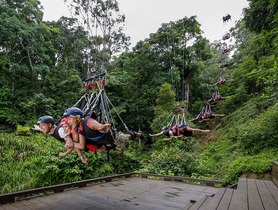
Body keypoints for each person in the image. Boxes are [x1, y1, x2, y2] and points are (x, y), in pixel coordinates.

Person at [62, 107, 147, 159]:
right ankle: (120, 151)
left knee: (125, 139)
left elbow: (97, 125)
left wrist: (101, 127)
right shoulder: (79, 129)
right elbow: (81, 145)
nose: (68, 122)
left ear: (77, 118)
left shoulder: (88, 122)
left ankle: (138, 134)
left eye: (69, 119)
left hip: (111, 137)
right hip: (101, 141)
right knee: (105, 148)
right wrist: (71, 144)